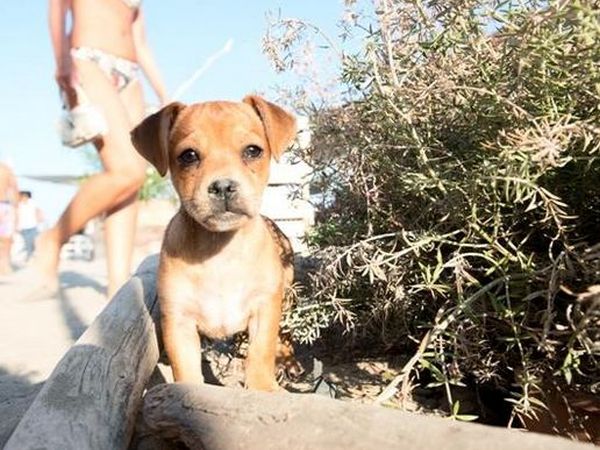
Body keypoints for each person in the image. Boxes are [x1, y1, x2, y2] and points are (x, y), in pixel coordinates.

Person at [32, 0, 169, 297]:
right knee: (125, 170)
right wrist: (62, 62)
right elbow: (57, 8)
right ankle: (53, 238)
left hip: (129, 72)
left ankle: (117, 285)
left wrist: (164, 93)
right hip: (87, 62)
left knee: (134, 178)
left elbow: (140, 43)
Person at [0, 162, 18, 275]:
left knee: (6, 238)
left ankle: (5, 263)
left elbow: (14, 188)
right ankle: (5, 264)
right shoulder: (6, 169)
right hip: (5, 205)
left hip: (5, 205)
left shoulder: (6, 169)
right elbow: (14, 188)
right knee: (6, 238)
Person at [17, 191, 44, 260]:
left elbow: (38, 210)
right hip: (23, 227)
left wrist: (40, 218)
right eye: (22, 196)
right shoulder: (19, 205)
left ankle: (32, 255)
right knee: (28, 242)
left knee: (35, 242)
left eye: (25, 196)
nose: (24, 198)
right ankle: (29, 256)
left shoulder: (32, 203)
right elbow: (16, 215)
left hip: (33, 226)